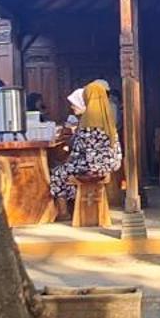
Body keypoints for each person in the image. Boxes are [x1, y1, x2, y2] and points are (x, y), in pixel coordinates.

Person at [48, 80, 122, 216]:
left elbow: (78, 152)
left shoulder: (87, 122)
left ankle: (64, 212)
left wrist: (67, 158)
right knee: (67, 170)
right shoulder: (107, 120)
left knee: (58, 173)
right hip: (110, 165)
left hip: (91, 167)